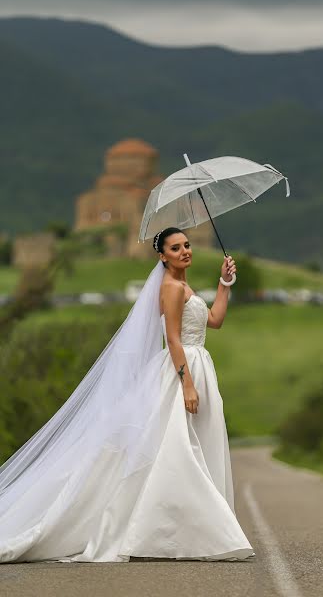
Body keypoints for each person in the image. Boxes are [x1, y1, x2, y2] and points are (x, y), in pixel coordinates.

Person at [0, 226, 255, 563]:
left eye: (187, 245)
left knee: (190, 445)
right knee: (178, 447)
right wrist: (187, 384)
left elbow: (214, 320)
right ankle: (189, 530)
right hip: (183, 370)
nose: (185, 251)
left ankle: (177, 527)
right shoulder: (171, 287)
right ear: (162, 256)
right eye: (176, 248)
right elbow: (174, 340)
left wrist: (224, 283)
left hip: (199, 364)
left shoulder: (184, 285)